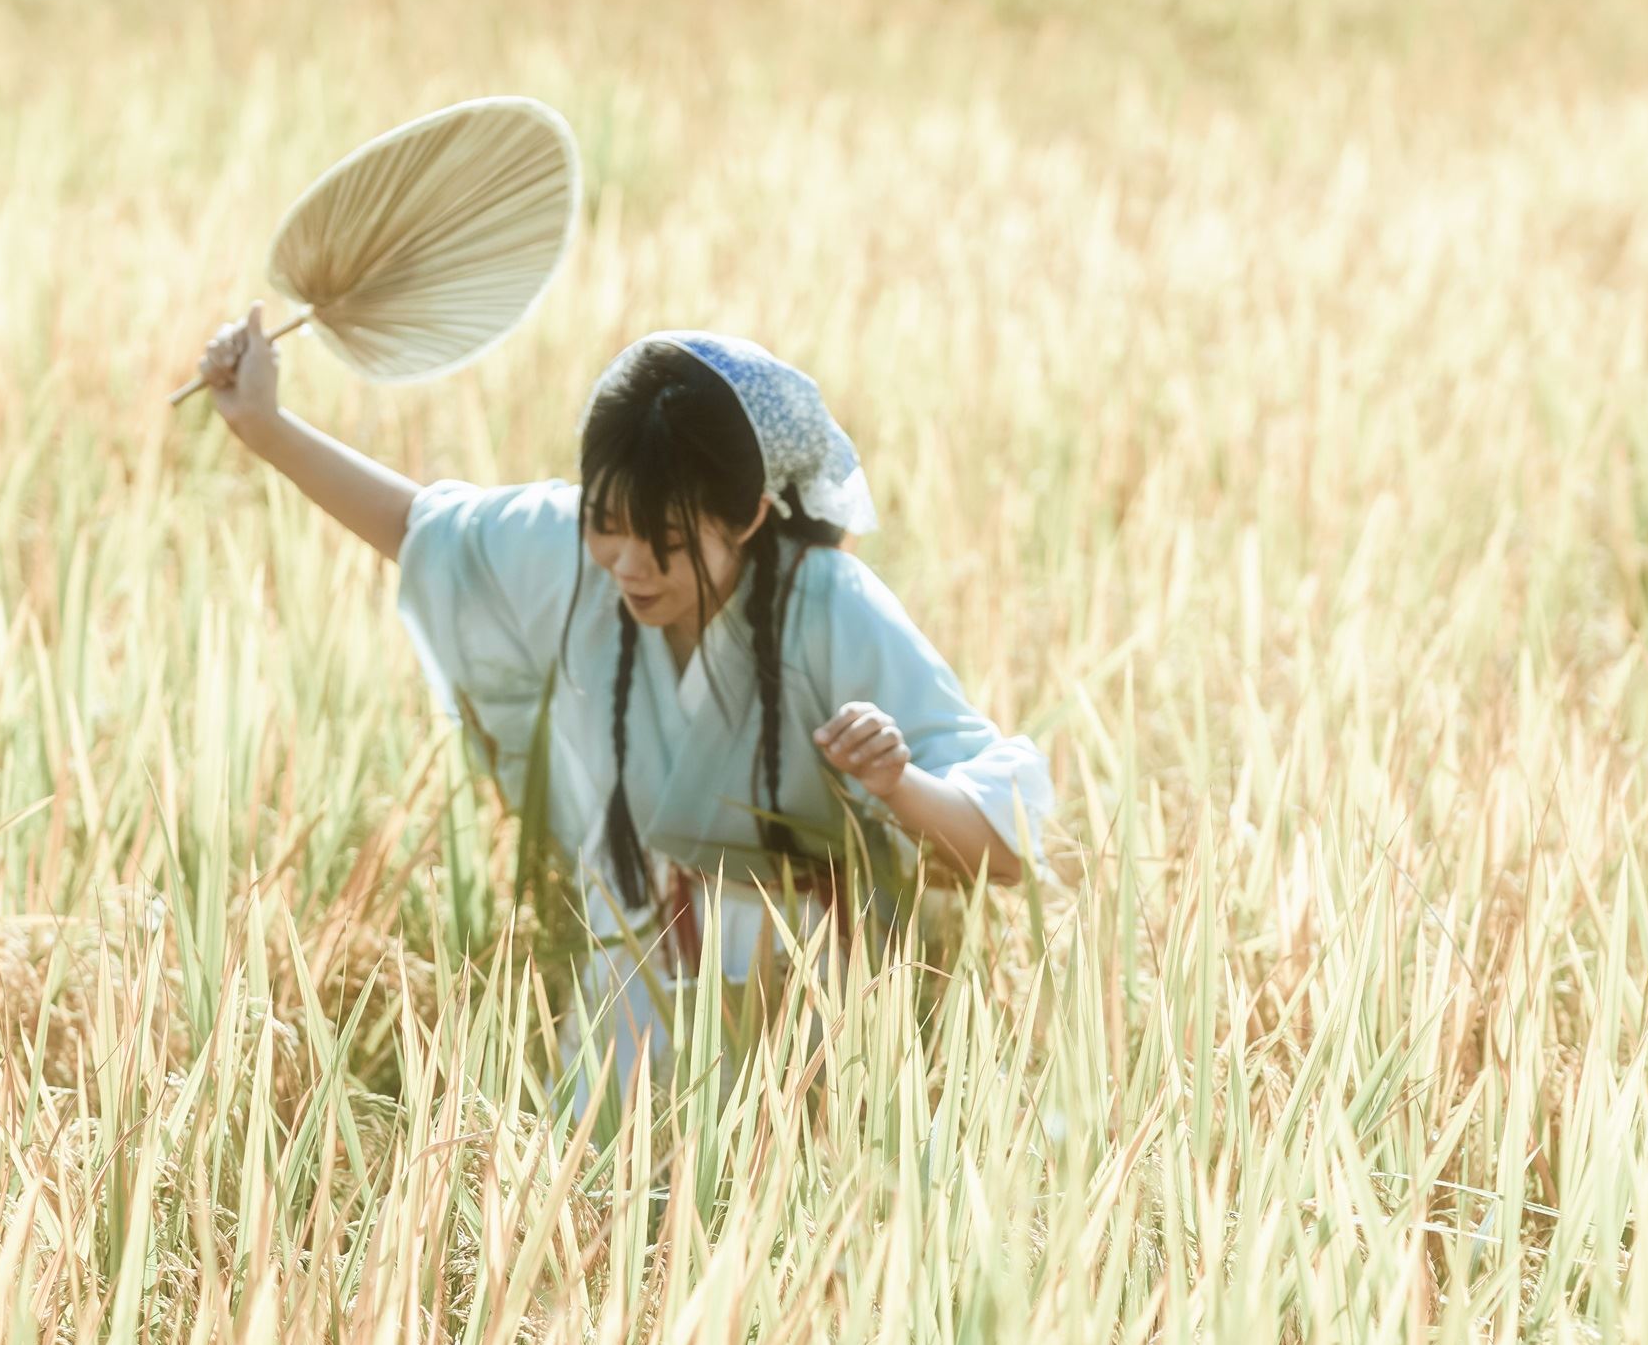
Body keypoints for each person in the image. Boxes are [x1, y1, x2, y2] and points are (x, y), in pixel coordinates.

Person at [195, 304, 1055, 1097]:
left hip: (817, 1005)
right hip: (634, 979)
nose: (629, 565)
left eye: (668, 542)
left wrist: (897, 782)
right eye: (609, 524)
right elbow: (426, 529)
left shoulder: (831, 605)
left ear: (749, 518)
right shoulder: (578, 553)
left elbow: (1004, 848)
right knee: (610, 1224)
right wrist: (263, 426)